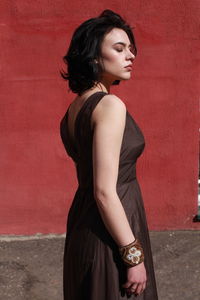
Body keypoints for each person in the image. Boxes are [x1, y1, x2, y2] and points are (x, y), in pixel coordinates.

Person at [60, 9, 158, 300]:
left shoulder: (75, 109)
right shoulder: (110, 106)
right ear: (93, 57)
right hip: (111, 234)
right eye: (119, 48)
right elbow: (105, 191)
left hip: (84, 227)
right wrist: (133, 255)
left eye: (131, 48)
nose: (131, 56)